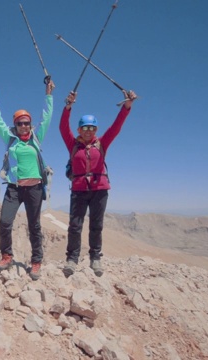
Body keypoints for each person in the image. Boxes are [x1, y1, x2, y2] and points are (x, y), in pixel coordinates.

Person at [59, 89, 138, 277]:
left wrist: (127, 106)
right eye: (84, 128)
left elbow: (116, 127)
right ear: (79, 130)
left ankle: (95, 257)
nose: (88, 131)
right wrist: (68, 106)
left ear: (96, 130)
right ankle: (72, 258)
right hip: (78, 189)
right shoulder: (73, 144)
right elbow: (63, 128)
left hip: (99, 189)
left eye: (92, 128)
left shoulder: (102, 143)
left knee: (96, 224)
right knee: (75, 225)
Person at [0, 80, 54, 280]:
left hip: (34, 188)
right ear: (14, 125)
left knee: (34, 225)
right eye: (19, 123)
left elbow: (47, 117)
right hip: (14, 189)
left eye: (26, 123)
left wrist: (48, 94)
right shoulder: (10, 139)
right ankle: (6, 256)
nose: (23, 126)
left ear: (30, 125)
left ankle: (36, 261)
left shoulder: (36, 137)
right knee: (5, 222)